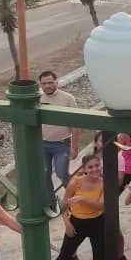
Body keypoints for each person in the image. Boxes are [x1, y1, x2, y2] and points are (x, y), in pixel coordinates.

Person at [51, 154, 106, 260]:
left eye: (97, 165)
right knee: (64, 256)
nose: (95, 169)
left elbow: (101, 206)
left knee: (100, 256)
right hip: (77, 223)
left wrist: (82, 199)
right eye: (90, 167)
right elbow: (63, 205)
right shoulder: (75, 182)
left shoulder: (104, 183)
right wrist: (67, 223)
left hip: (98, 222)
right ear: (84, 169)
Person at [38, 70, 79, 206]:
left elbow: (76, 124)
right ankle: (51, 204)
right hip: (43, 144)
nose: (47, 86)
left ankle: (76, 197)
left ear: (56, 81)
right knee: (44, 174)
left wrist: (74, 147)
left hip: (62, 145)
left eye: (50, 82)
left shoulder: (68, 99)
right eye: (44, 84)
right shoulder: (38, 99)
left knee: (62, 173)